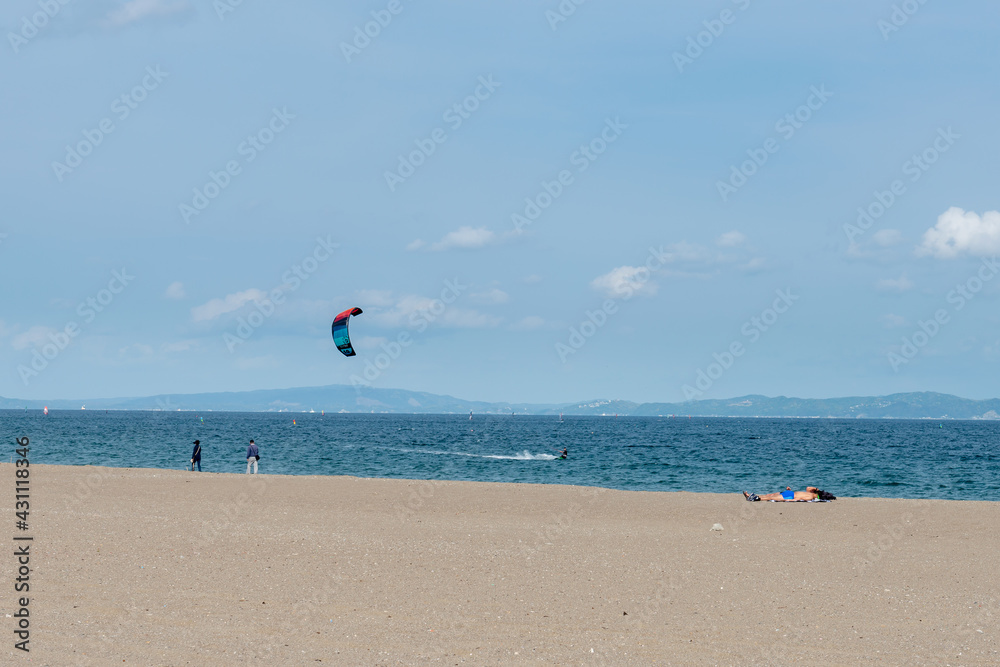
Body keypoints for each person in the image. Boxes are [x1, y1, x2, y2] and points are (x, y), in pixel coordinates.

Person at [743, 486, 836, 502]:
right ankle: (752, 497)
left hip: (791, 495)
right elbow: (808, 488)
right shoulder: (811, 494)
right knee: (771, 496)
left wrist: (817, 490)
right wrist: (816, 489)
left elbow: (800, 499)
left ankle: (754, 497)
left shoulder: (811, 496)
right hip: (790, 493)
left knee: (771, 497)